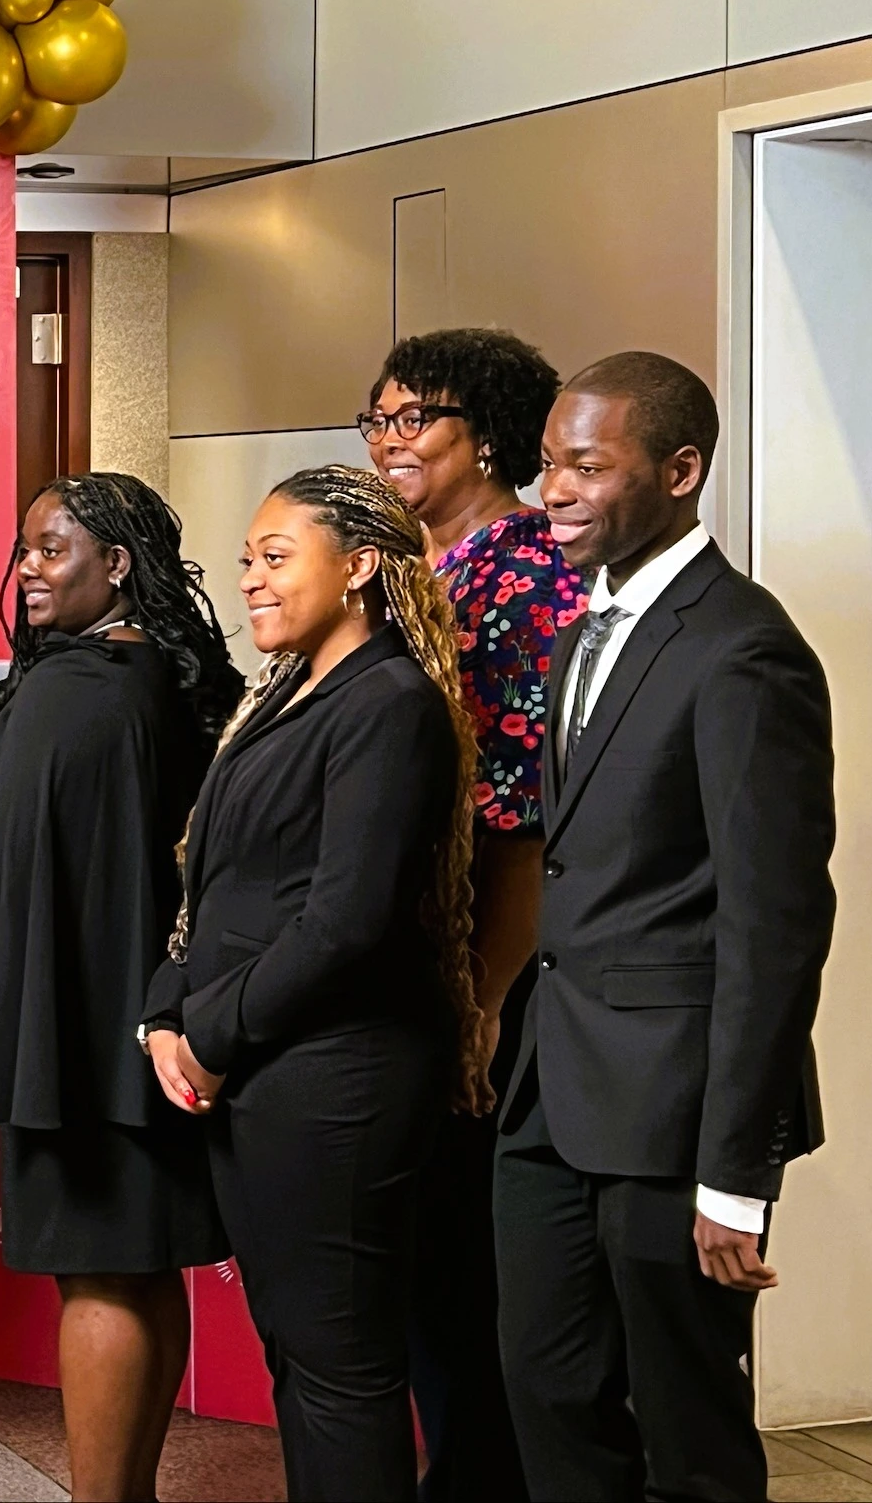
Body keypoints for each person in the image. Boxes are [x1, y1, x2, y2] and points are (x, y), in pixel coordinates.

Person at [0, 472, 243, 1503]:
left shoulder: (76, 690)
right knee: (141, 1257)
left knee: (98, 1268)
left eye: (52, 548)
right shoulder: (150, 673)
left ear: (115, 565)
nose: (26, 567)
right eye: (21, 547)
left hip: (74, 1021)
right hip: (141, 1013)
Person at [495, 353, 835, 1503]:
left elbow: (772, 924)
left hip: (672, 1116)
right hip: (548, 1093)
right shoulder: (585, 624)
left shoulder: (741, 646)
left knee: (685, 1430)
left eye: (586, 466)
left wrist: (734, 1173)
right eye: (546, 465)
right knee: (544, 1389)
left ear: (680, 471)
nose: (554, 490)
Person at [143, 464, 480, 1503]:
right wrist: (165, 1009)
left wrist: (206, 1034)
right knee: (297, 1354)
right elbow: (214, 878)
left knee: (339, 1370)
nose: (249, 578)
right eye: (246, 559)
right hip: (260, 1073)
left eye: (274, 557)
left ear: (359, 567)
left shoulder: (388, 702)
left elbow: (344, 920)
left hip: (338, 1081)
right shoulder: (284, 697)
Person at [363, 328, 585, 1503]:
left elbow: (523, 818)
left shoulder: (525, 570)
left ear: (488, 430)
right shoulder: (417, 570)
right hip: (408, 961)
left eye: (417, 418)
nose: (391, 439)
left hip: (489, 976)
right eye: (379, 418)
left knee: (467, 1269)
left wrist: (484, 1002)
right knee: (422, 1266)